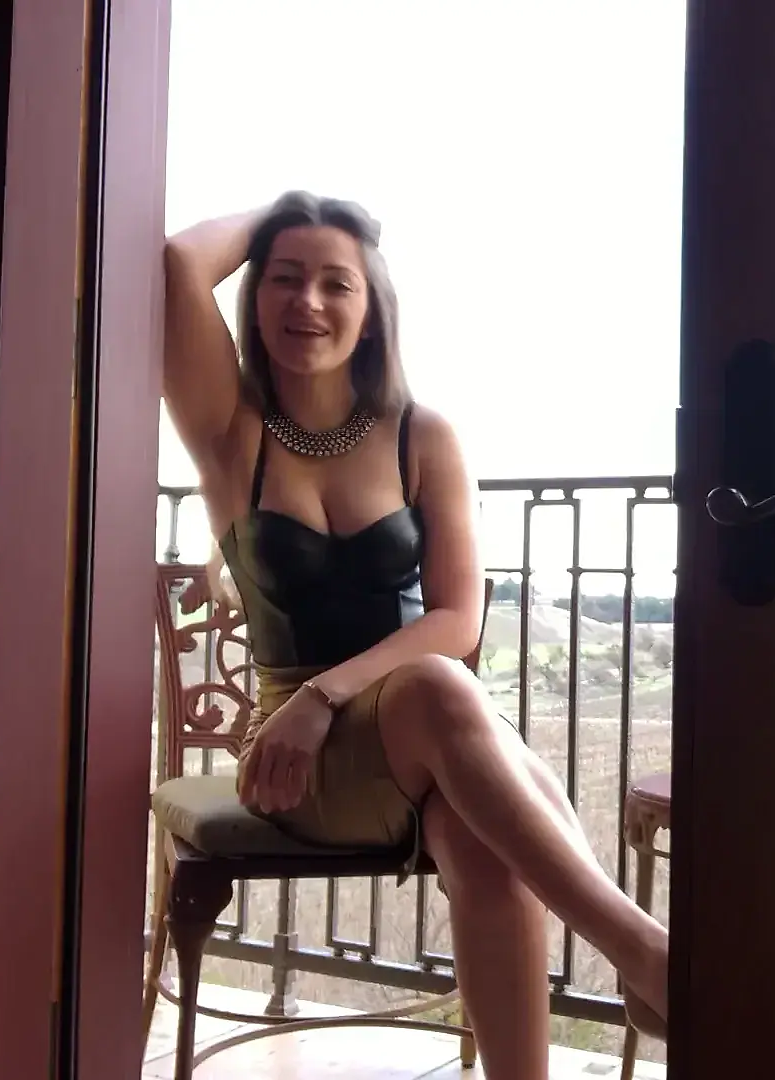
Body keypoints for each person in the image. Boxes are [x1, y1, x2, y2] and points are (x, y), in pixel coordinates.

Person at [162, 192, 668, 1078]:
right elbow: (179, 264)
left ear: (372, 311)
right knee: (443, 691)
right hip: (295, 757)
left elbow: (456, 620)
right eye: (284, 278)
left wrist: (329, 693)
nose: (308, 302)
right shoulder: (229, 432)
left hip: (422, 724)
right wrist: (286, 207)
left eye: (336, 283)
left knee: (482, 840)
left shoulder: (421, 436)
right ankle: (649, 956)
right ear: (255, 297)